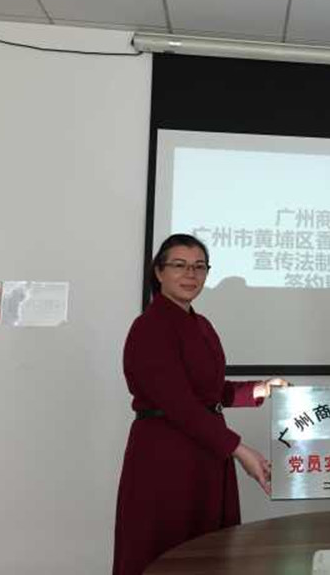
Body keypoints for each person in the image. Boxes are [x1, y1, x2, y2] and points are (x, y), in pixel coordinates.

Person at [112, 233, 287, 575]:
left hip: (206, 451)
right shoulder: (149, 327)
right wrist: (239, 449)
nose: (190, 274)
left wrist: (260, 390)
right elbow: (178, 403)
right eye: (179, 265)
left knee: (208, 552)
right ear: (159, 272)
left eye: (199, 267)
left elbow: (208, 392)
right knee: (167, 550)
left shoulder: (200, 324)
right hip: (167, 455)